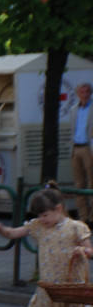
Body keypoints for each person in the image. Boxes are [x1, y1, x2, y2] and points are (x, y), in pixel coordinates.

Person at [71, 82, 93, 227]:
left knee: (91, 182)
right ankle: (83, 216)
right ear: (78, 93)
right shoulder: (74, 109)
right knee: (79, 185)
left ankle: (92, 218)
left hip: (88, 148)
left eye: (87, 92)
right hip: (76, 148)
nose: (85, 94)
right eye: (82, 92)